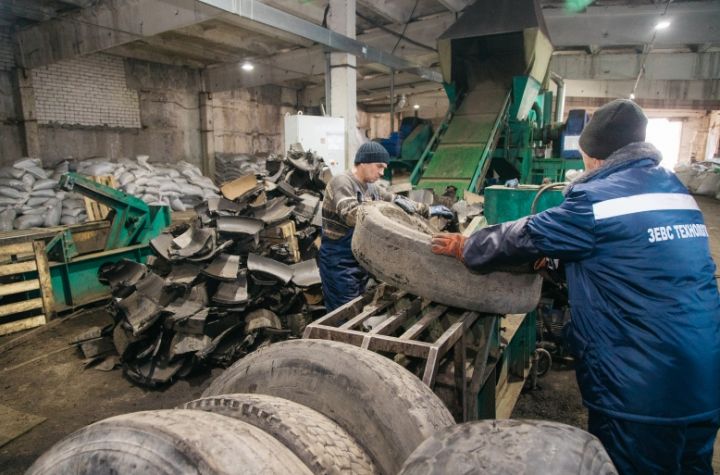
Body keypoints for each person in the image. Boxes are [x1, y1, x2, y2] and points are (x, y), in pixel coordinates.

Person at [431, 99, 720, 475]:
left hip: (643, 386)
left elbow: (526, 234)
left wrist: (468, 246)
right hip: (703, 374)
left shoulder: (596, 199)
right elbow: (632, 256)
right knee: (692, 466)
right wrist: (557, 263)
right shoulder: (674, 189)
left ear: (596, 155)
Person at [319, 141, 452, 312]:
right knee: (342, 312)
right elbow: (350, 214)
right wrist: (381, 208)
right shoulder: (342, 182)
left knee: (357, 307)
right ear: (364, 162)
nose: (382, 172)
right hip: (338, 261)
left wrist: (427, 209)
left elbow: (394, 199)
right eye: (379, 166)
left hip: (359, 256)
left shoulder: (372, 187)